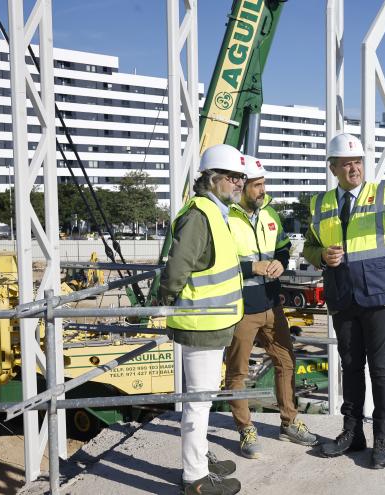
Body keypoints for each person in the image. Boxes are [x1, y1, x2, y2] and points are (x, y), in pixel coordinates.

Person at [303, 132, 385, 469]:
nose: (353, 168)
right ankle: (352, 433)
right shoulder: (320, 203)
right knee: (351, 367)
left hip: (379, 296)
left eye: (357, 162)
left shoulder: (384, 194)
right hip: (343, 297)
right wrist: (320, 256)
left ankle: (382, 440)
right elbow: (308, 246)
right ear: (333, 168)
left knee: (381, 368)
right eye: (346, 163)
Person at [159, 143, 246, 495]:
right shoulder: (200, 215)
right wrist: (165, 301)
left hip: (213, 323)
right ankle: (194, 478)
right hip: (200, 324)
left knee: (204, 399)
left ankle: (201, 458)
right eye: (233, 177)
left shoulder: (216, 212)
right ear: (212, 180)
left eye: (241, 177)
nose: (239, 183)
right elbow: (178, 267)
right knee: (197, 402)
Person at [225, 154, 317, 458]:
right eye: (257, 185)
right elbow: (218, 263)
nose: (263, 190)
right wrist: (254, 267)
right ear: (241, 186)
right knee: (237, 373)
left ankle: (289, 422)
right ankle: (245, 430)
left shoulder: (270, 214)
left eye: (264, 184)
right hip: (240, 309)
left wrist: (279, 262)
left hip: (271, 305)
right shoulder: (226, 217)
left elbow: (282, 248)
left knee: (286, 361)